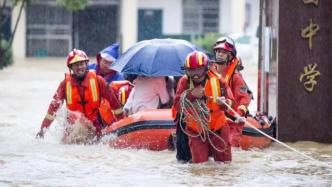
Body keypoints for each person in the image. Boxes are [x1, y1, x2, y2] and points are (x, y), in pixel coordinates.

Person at [36, 49, 124, 143]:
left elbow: (115, 105)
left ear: (86, 64)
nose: (80, 67)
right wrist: (42, 131)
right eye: (76, 65)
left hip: (96, 129)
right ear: (71, 68)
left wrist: (122, 125)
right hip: (72, 130)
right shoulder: (64, 85)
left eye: (82, 64)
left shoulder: (98, 81)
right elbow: (52, 111)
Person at [172, 51, 235, 163]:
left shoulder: (219, 80)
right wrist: (191, 95)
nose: (196, 75)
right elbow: (177, 105)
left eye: (199, 71)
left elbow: (231, 101)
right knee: (199, 166)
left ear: (206, 69)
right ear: (186, 71)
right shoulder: (184, 82)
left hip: (218, 129)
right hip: (196, 131)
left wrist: (224, 104)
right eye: (191, 71)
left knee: (225, 165)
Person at [212, 36, 252, 147]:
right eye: (218, 51)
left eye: (224, 52)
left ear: (230, 56)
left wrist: (238, 116)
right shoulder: (210, 73)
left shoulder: (236, 77)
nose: (220, 54)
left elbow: (244, 99)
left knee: (231, 147)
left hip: (233, 121)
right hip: (216, 118)